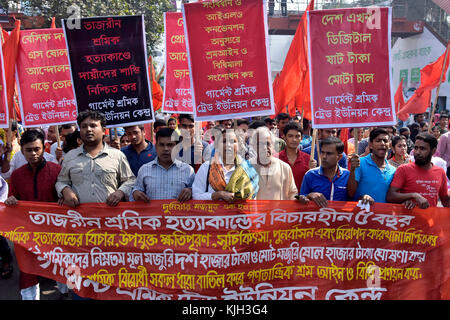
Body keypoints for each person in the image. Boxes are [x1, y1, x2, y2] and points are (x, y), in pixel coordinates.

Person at [3, 129, 66, 300]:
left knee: (59, 263)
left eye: (36, 149)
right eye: (28, 150)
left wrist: (63, 199)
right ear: (22, 150)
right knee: (28, 268)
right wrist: (11, 201)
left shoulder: (57, 170)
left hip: (54, 230)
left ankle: (63, 293)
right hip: (27, 231)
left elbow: (65, 195)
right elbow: (13, 198)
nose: (33, 154)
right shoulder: (16, 175)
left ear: (44, 148)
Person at [56, 110, 136, 208]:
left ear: (103, 130)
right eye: (84, 126)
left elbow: (130, 180)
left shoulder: (117, 155)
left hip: (111, 218)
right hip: (80, 218)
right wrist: (65, 190)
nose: (88, 129)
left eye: (93, 126)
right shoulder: (70, 157)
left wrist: (120, 192)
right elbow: (61, 181)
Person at [298, 137, 374, 207]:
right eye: (323, 152)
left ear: (339, 157)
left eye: (329, 153)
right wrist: (309, 195)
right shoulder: (310, 175)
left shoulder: (348, 176)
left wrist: (365, 198)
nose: (324, 157)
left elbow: (355, 199)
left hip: (342, 221)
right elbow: (299, 199)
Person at [192, 128, 259, 201]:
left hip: (240, 212)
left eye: (233, 141)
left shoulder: (247, 169)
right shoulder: (207, 167)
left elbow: (252, 198)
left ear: (239, 146)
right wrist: (218, 195)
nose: (228, 145)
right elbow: (196, 195)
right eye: (224, 141)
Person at [130, 128, 195, 202]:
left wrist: (191, 191)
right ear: (156, 147)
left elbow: (197, 194)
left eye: (170, 145)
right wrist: (135, 193)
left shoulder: (188, 170)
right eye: (161, 145)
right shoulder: (144, 169)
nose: (166, 149)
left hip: (178, 213)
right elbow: (136, 192)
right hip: (153, 213)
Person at [387, 132, 449, 208]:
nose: (417, 152)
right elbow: (390, 196)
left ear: (433, 151)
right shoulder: (403, 169)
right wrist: (413, 196)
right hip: (407, 219)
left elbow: (446, 200)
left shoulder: (440, 172)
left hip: (431, 218)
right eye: (416, 148)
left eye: (423, 149)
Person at [348, 128, 396, 203]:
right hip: (361, 213)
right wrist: (362, 197)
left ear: (389, 145)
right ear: (370, 145)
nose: (382, 143)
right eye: (378, 141)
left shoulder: (393, 170)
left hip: (383, 214)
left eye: (385, 141)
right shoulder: (359, 163)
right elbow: (350, 193)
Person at [250, 126, 297, 200]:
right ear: (254, 146)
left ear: (272, 145)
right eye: (260, 144)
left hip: (279, 211)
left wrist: (298, 199)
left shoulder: (285, 168)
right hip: (256, 211)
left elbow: (292, 193)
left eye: (267, 144)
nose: (265, 147)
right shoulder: (247, 168)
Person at [278, 121, 315, 192]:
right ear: (284, 137)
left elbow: (312, 184)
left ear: (301, 138)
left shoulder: (309, 159)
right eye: (290, 136)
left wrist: (313, 171)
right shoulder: (276, 159)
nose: (294, 140)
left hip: (302, 200)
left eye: (297, 136)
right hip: (282, 201)